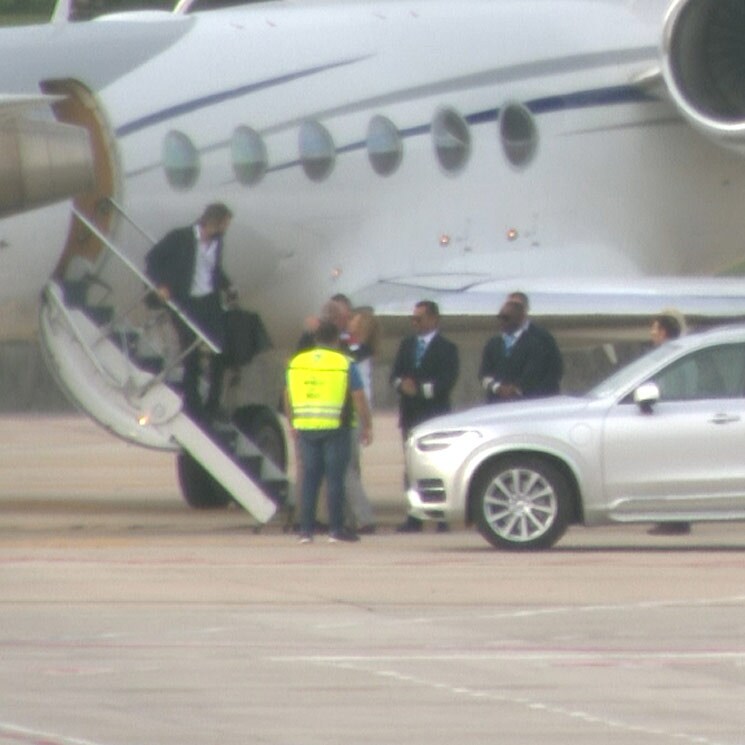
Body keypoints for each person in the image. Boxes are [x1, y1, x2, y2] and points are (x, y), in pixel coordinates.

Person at [145, 202, 235, 420]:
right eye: (226, 224)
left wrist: (228, 285)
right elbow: (153, 259)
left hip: (209, 301)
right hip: (187, 301)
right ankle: (192, 400)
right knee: (190, 351)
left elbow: (211, 269)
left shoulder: (217, 242)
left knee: (219, 349)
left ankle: (213, 401)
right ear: (216, 222)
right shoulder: (181, 237)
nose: (227, 228)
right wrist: (161, 285)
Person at [285, 320, 373, 543]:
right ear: (336, 339)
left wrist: (292, 422)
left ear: (315, 338)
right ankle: (335, 529)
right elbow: (359, 397)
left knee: (310, 479)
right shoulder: (344, 363)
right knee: (335, 478)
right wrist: (367, 424)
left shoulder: (297, 362)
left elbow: (287, 395)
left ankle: (305, 531)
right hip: (336, 427)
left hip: (306, 427)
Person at [390, 300, 459, 533]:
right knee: (411, 468)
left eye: (419, 319)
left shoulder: (447, 348)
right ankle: (414, 516)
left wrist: (418, 389)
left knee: (438, 466)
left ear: (433, 319)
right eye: (413, 319)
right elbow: (395, 375)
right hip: (410, 414)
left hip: (434, 415)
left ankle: (441, 517)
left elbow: (446, 381)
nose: (415, 323)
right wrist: (402, 385)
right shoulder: (407, 345)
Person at [647, 311, 691, 536]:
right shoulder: (676, 353)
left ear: (663, 332)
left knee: (672, 467)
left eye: (654, 329)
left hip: (672, 420)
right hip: (674, 419)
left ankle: (675, 519)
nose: (651, 333)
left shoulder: (670, 357)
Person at [478, 296, 563, 403]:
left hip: (526, 402)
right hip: (496, 402)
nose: (502, 322)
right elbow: (484, 374)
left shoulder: (535, 343)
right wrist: (497, 387)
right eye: (500, 317)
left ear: (521, 318)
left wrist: (515, 389)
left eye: (506, 318)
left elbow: (533, 374)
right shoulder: (493, 343)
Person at [344, 306, 381, 534]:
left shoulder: (358, 351)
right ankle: (351, 516)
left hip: (354, 411)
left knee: (345, 468)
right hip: (358, 411)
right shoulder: (362, 351)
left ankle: (363, 516)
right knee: (352, 466)